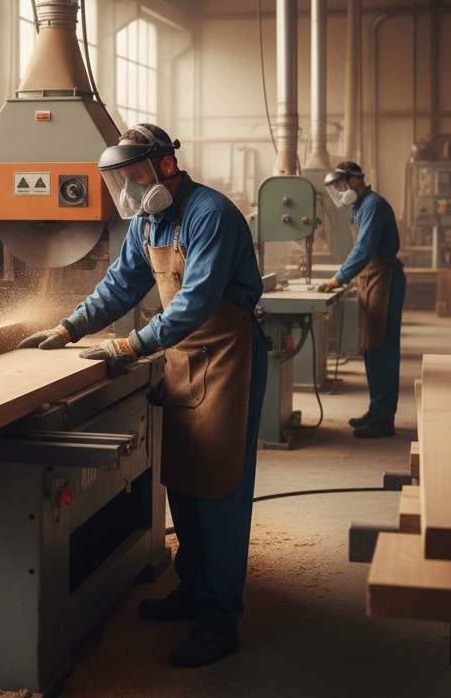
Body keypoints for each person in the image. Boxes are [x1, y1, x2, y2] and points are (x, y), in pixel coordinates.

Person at [19, 124, 266, 667]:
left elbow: (196, 302)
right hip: (182, 356)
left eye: (135, 176)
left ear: (166, 167)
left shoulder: (211, 215)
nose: (128, 190)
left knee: (219, 489)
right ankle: (191, 591)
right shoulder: (148, 222)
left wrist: (131, 345)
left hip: (225, 356)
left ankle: (219, 620)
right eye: (119, 181)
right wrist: (69, 327)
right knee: (183, 477)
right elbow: (121, 284)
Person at [317, 161, 406, 438]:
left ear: (355, 181)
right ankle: (376, 410)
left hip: (384, 279)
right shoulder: (361, 207)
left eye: (341, 186)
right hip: (371, 279)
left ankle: (383, 419)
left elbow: (365, 248)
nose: (340, 192)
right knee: (371, 348)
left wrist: (338, 278)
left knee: (382, 350)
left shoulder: (373, 205)